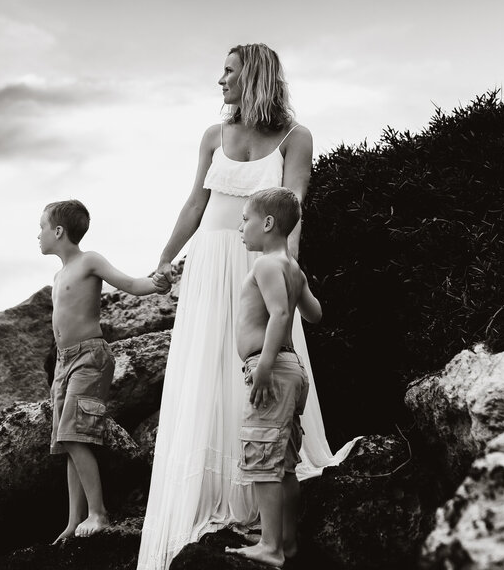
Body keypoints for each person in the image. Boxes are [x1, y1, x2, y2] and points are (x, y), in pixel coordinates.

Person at [137, 44, 357, 570]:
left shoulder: (295, 137)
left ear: (254, 77)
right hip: (210, 263)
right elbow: (196, 202)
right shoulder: (213, 135)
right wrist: (167, 260)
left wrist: (287, 269)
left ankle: (266, 504)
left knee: (262, 369)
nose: (220, 81)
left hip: (258, 267)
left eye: (229, 72)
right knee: (206, 369)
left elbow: (293, 209)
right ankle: (218, 492)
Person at [39, 199, 171, 543]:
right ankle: (73, 522)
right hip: (63, 361)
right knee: (69, 443)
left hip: (89, 358)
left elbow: (129, 284)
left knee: (74, 434)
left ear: (58, 231)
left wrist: (157, 283)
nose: (37, 235)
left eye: (41, 228)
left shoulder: (89, 261)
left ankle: (98, 513)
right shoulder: (58, 274)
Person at [224, 187, 321, 567]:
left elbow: (281, 316)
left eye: (245, 219)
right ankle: (288, 541)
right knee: (283, 464)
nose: (240, 227)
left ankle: (270, 546)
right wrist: (298, 288)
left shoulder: (264, 265)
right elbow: (314, 314)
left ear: (267, 223)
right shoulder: (291, 267)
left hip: (273, 369)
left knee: (263, 459)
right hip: (292, 371)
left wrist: (262, 367)